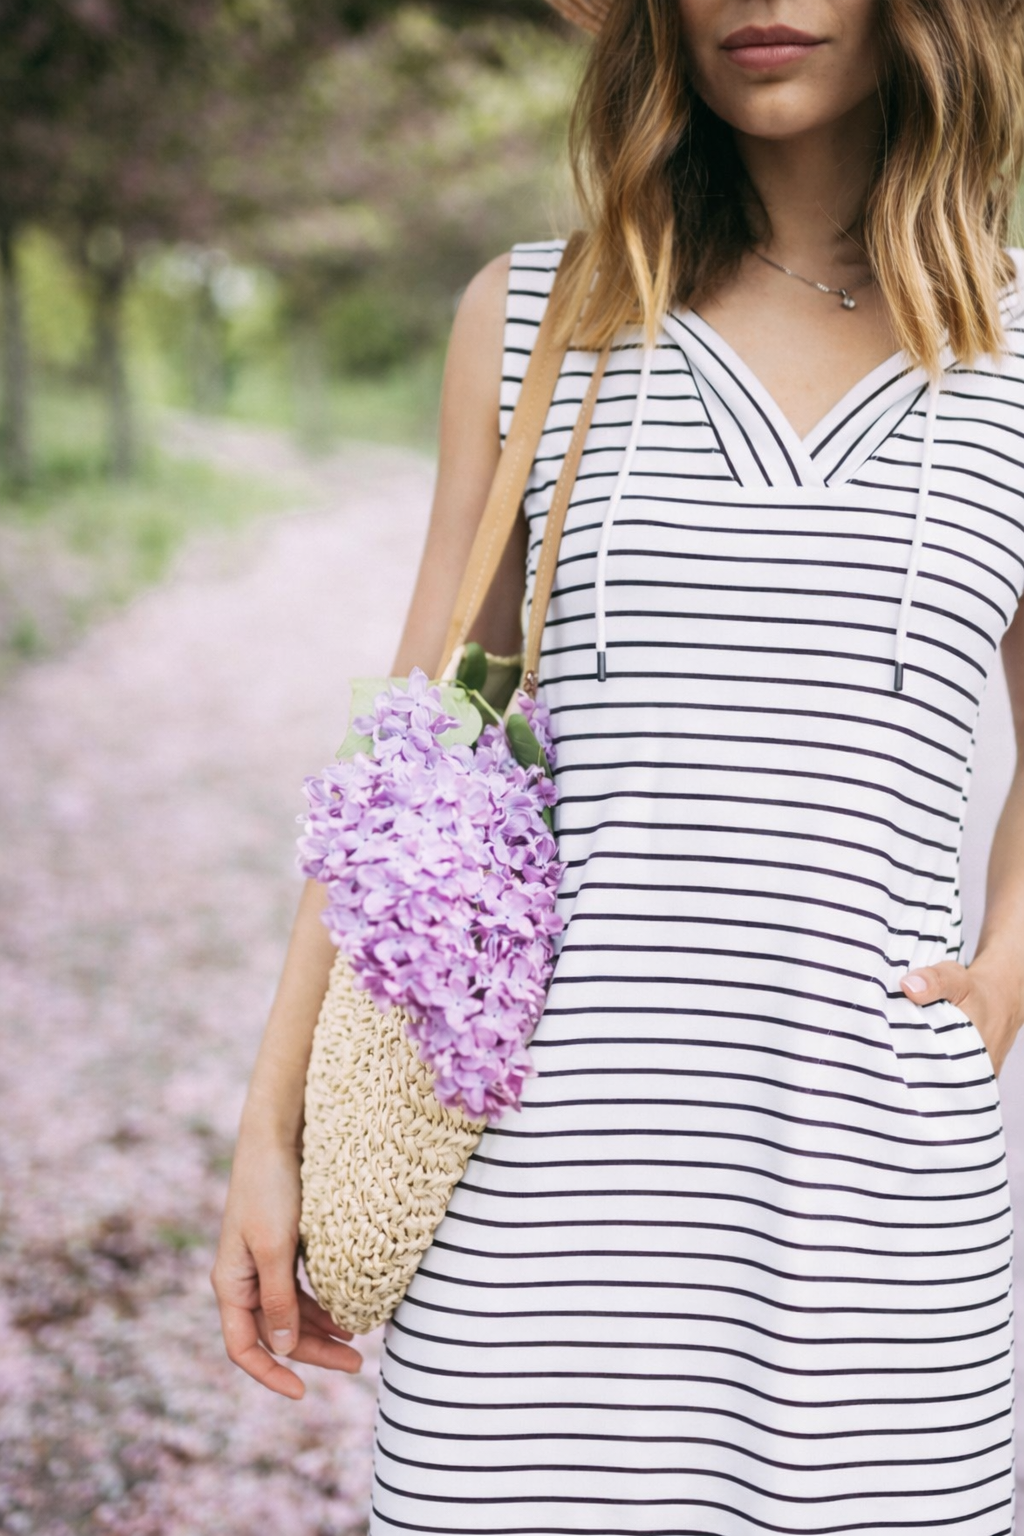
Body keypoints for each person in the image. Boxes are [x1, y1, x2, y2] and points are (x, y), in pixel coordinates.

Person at [213, 1, 1024, 1530]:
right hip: (534, 1225)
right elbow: (408, 756)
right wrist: (271, 1129)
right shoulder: (536, 317)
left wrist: (1006, 972)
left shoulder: (1016, 350)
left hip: (874, 1231)